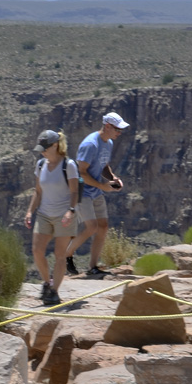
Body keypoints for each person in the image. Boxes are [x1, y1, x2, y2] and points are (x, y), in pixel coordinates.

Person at [65, 112, 129, 279]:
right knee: (91, 227)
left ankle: (93, 267)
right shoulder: (90, 144)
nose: (119, 133)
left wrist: (113, 178)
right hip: (83, 191)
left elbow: (103, 164)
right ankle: (67, 254)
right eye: (117, 129)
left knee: (103, 226)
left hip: (96, 190)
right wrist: (102, 185)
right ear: (107, 126)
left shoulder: (108, 143)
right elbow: (82, 173)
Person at [25, 130, 79, 307]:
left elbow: (74, 191)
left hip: (63, 216)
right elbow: (38, 191)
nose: (42, 152)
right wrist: (29, 211)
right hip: (44, 214)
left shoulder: (68, 165)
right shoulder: (41, 165)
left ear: (55, 145)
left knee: (59, 255)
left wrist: (70, 211)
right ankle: (47, 284)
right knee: (37, 251)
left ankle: (54, 291)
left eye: (45, 148)